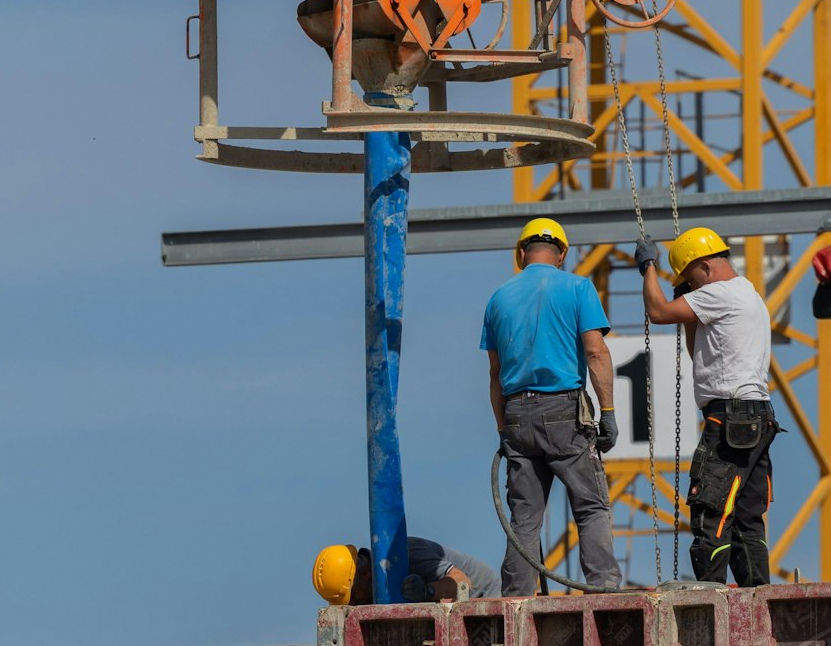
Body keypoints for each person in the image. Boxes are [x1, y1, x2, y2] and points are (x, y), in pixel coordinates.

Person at [481, 218, 623, 595]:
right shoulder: (578, 287)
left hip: (515, 414)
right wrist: (607, 412)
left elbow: (495, 374)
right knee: (591, 506)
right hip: (563, 411)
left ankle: (516, 602)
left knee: (524, 518)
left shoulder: (499, 298)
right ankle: (603, 590)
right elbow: (595, 352)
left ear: (522, 252)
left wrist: (502, 430)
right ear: (561, 254)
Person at [635, 228, 777, 587]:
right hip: (754, 417)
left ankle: (708, 597)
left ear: (705, 267)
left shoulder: (720, 293)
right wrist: (689, 304)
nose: (693, 288)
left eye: (691, 279)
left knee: (710, 508)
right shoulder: (746, 293)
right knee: (745, 517)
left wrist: (648, 267)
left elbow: (658, 311)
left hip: (730, 416)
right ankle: (757, 596)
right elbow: (697, 350)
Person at [312, 540, 502, 605]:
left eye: (352, 598)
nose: (352, 605)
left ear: (365, 574)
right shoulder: (375, 584)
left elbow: (462, 583)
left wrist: (427, 592)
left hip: (485, 598)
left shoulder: (405, 551)